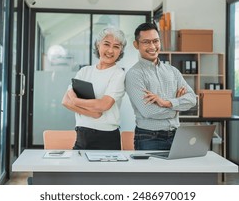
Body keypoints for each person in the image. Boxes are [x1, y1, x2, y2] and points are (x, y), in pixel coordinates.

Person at [125, 22, 197, 150]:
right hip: (149, 137)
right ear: (136, 45)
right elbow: (148, 112)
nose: (152, 46)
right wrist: (177, 106)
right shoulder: (134, 75)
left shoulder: (173, 71)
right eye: (146, 42)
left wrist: (166, 103)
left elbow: (192, 99)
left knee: (178, 171)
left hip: (176, 135)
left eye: (155, 41)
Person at [62, 27, 127, 150]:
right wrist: (93, 113)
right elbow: (65, 101)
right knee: (79, 169)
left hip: (107, 137)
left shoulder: (118, 74)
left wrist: (76, 101)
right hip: (82, 134)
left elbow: (103, 105)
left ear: (120, 51)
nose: (110, 50)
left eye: (116, 46)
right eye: (106, 44)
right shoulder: (84, 71)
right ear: (98, 45)